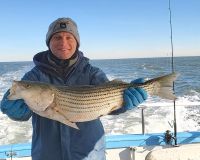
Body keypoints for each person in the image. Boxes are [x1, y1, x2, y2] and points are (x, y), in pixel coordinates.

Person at [0, 17, 147, 160]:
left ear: (77, 42)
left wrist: (125, 104)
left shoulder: (92, 72)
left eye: (69, 37)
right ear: (49, 43)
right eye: (57, 37)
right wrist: (15, 111)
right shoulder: (34, 76)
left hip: (89, 154)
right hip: (47, 155)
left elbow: (109, 105)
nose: (63, 42)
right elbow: (23, 113)